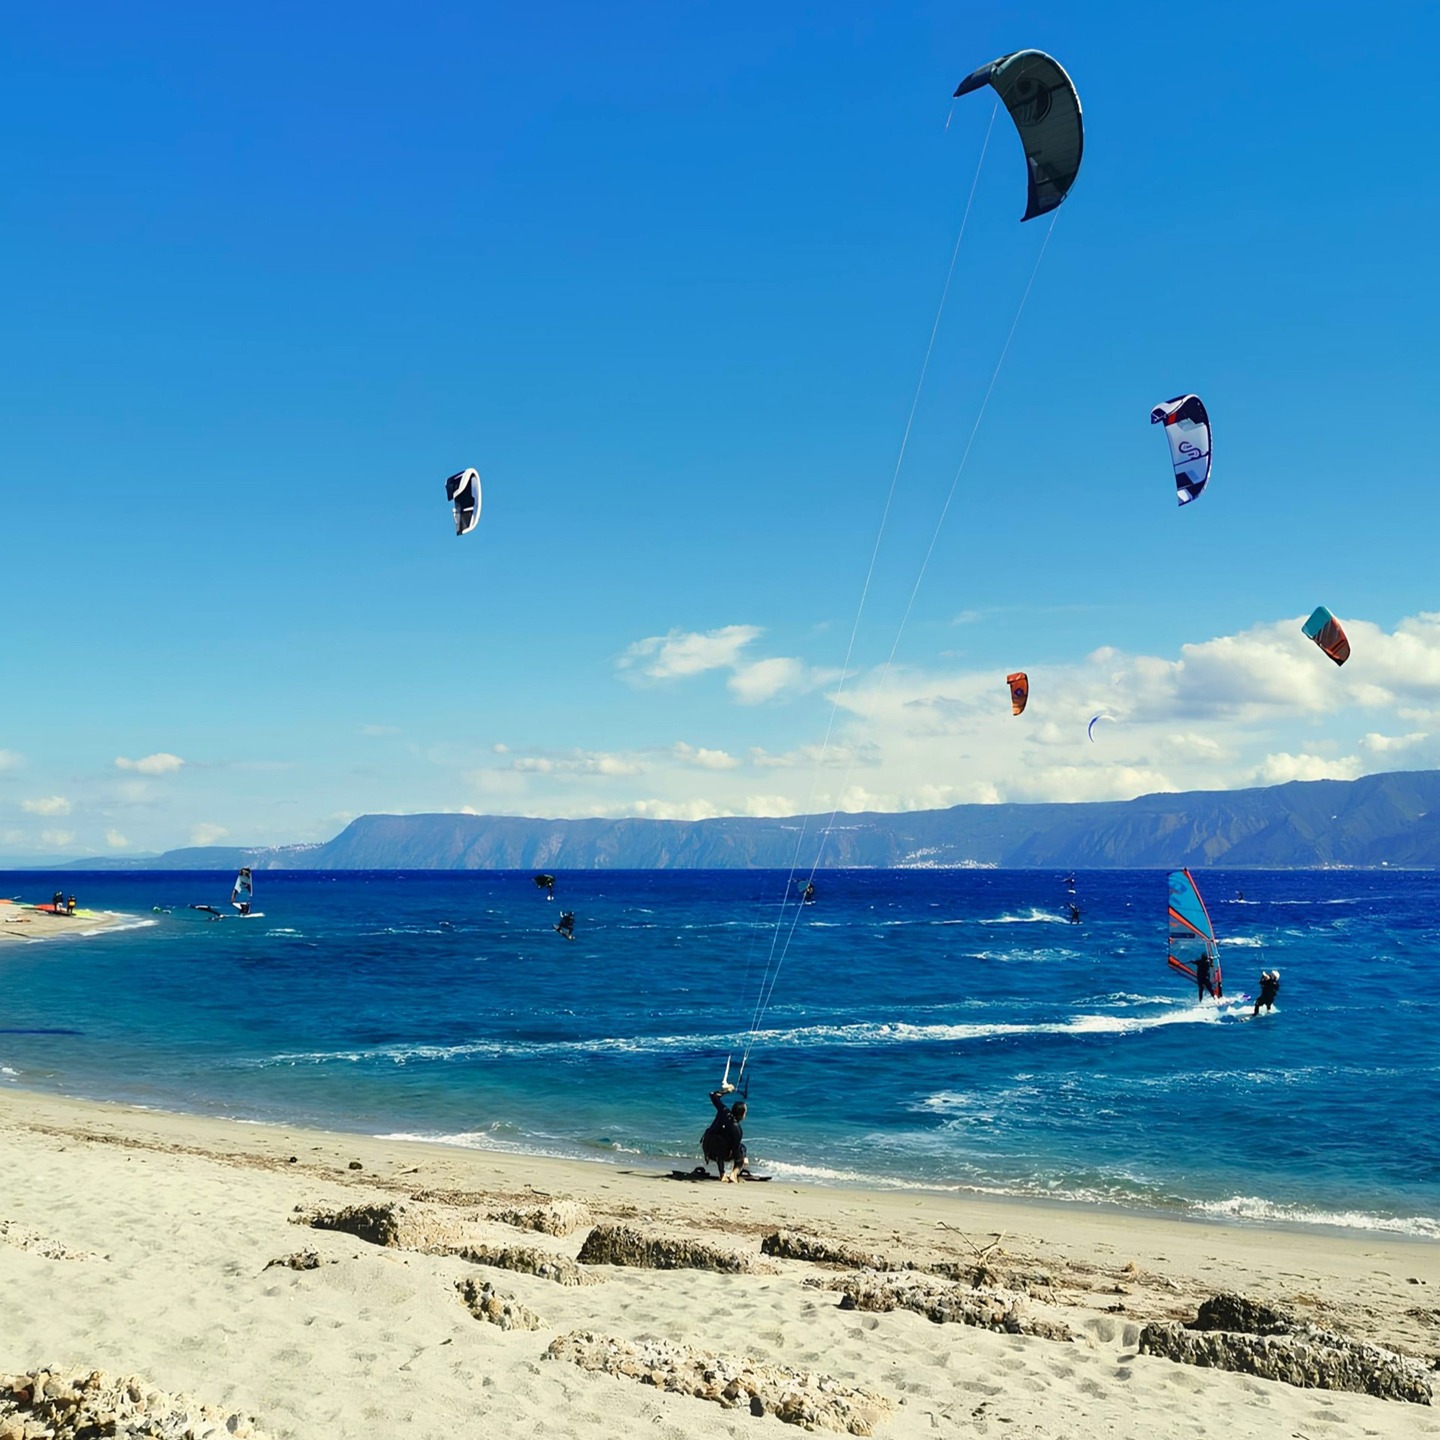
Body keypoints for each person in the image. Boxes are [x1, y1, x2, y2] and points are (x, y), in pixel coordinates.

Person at [701, 1082, 748, 1181]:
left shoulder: (724, 1111)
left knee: (720, 1143)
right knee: (742, 1149)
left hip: (707, 1147)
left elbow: (712, 1095)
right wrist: (743, 1158)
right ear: (742, 1114)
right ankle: (733, 1174)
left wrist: (726, 1091)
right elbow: (730, 1151)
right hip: (718, 1153)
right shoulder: (738, 1131)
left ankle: (722, 1174)